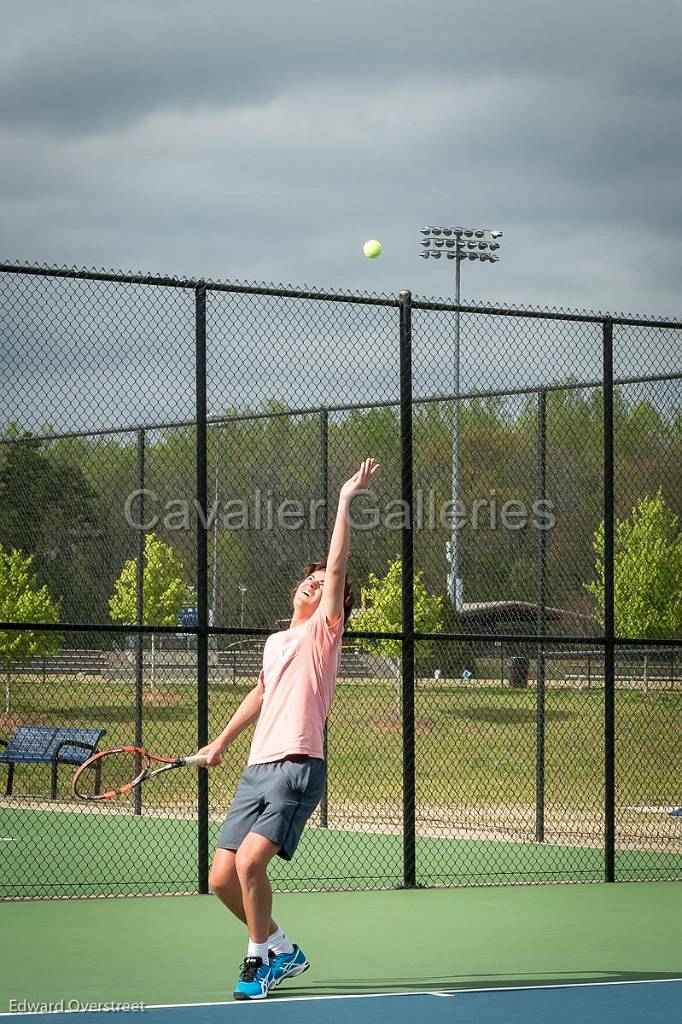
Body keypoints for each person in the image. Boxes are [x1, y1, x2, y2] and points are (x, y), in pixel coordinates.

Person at [199, 457, 380, 1000]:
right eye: (310, 579)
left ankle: (258, 961)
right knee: (221, 880)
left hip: (298, 765)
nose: (314, 582)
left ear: (335, 602)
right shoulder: (278, 642)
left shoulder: (324, 634)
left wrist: (345, 502)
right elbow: (261, 692)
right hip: (257, 768)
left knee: (253, 863)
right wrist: (221, 742)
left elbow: (338, 565)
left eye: (323, 583)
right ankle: (281, 945)